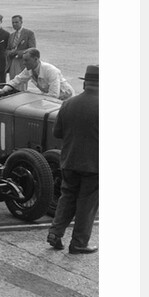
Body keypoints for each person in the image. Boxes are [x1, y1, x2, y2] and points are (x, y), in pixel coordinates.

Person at [46, 65, 99, 254]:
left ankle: (55, 233)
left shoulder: (68, 103)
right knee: (87, 203)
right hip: (94, 165)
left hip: (69, 160)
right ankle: (78, 243)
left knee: (67, 197)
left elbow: (57, 132)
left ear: (85, 83)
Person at [6, 48, 75, 100]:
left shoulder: (50, 71)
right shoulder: (29, 70)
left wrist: (33, 95)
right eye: (23, 60)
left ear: (36, 59)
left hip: (67, 99)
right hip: (50, 99)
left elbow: (54, 95)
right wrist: (2, 90)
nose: (24, 63)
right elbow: (17, 80)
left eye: (26, 60)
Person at [5, 14, 37, 79]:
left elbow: (32, 49)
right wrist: (10, 53)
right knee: (13, 81)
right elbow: (7, 49)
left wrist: (17, 53)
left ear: (21, 22)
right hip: (12, 62)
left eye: (16, 22)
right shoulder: (11, 35)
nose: (14, 24)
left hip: (23, 62)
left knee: (21, 83)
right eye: (13, 23)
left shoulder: (29, 33)